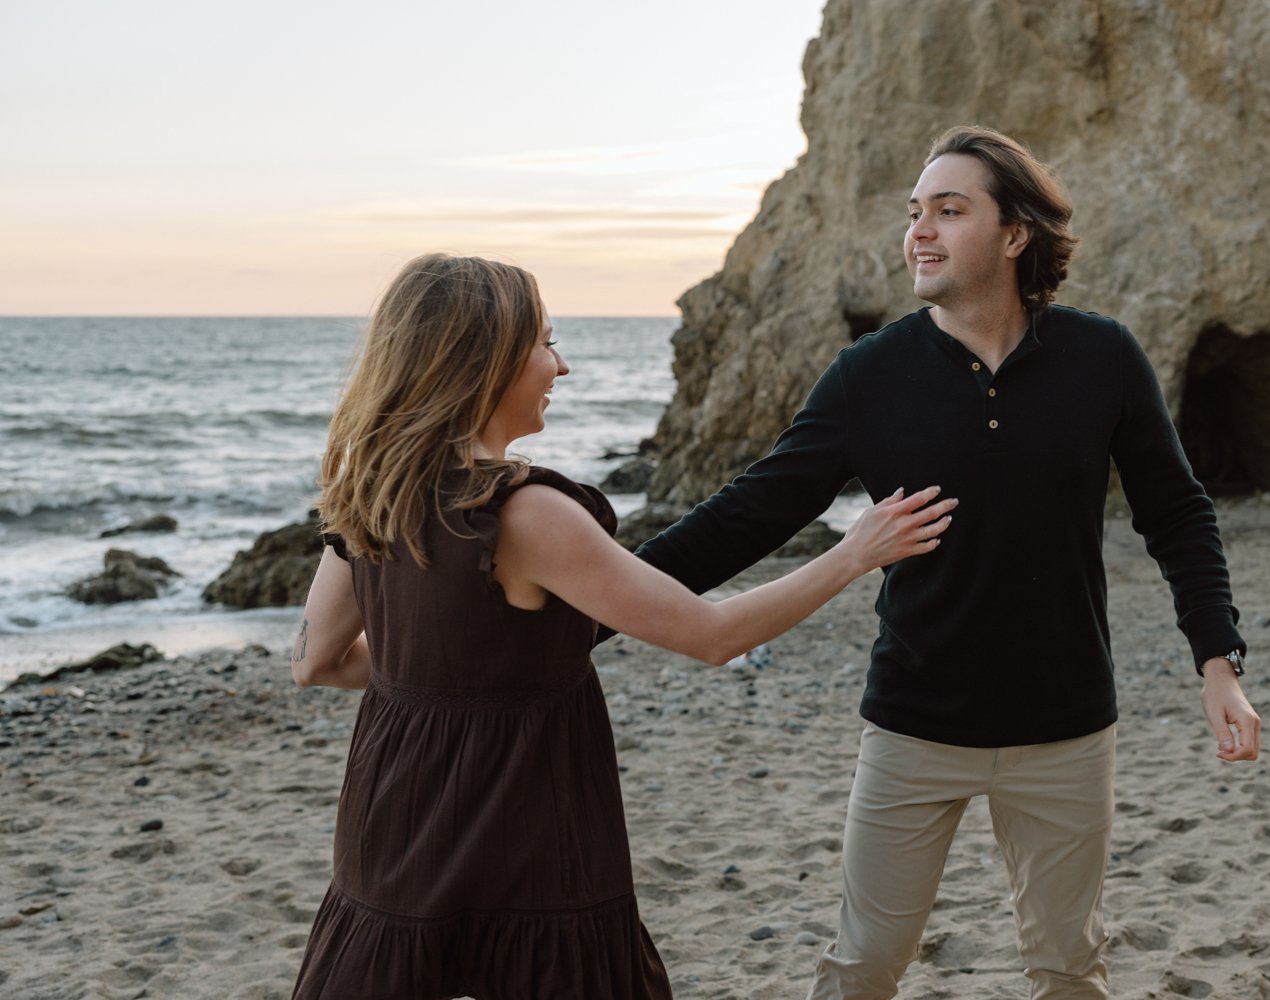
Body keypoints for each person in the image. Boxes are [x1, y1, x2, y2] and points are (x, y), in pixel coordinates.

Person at [623, 126, 1263, 999]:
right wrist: (595, 595)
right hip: (912, 726)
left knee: (1069, 970)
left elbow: (1177, 513)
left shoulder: (1102, 358)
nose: (919, 231)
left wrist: (1218, 662)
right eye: (914, 213)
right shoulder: (868, 376)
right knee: (862, 967)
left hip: (1067, 730)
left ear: (1014, 236)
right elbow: (748, 515)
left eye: (949, 211)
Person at [287, 252, 956, 1000]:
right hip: (525, 824)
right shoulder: (527, 512)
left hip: (392, 820)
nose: (560, 366)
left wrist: (447, 670)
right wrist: (854, 553)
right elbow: (714, 635)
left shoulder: (373, 489)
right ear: (487, 361)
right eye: (545, 342)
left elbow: (317, 660)